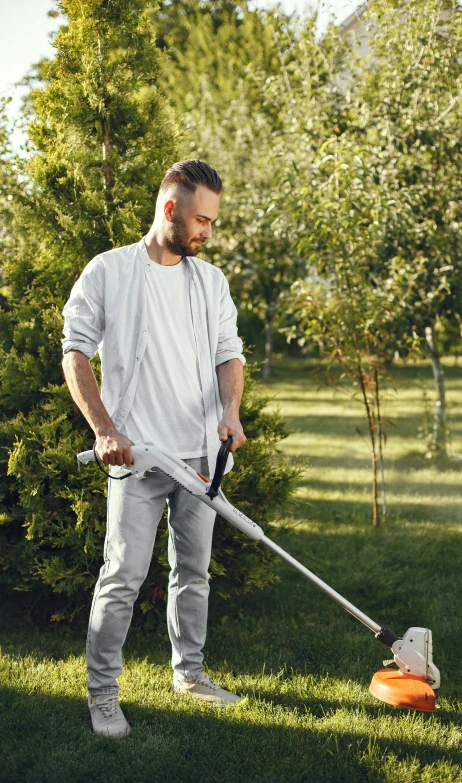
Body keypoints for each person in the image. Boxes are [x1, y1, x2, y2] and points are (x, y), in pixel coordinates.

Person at [61, 160, 247, 739]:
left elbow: (228, 352)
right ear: (169, 208)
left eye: (212, 223)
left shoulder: (209, 281)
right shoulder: (109, 272)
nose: (207, 233)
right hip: (138, 459)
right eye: (200, 220)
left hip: (198, 459)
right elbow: (75, 353)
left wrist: (230, 412)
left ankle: (189, 674)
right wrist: (105, 430)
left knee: (194, 572)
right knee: (122, 576)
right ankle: (103, 695)